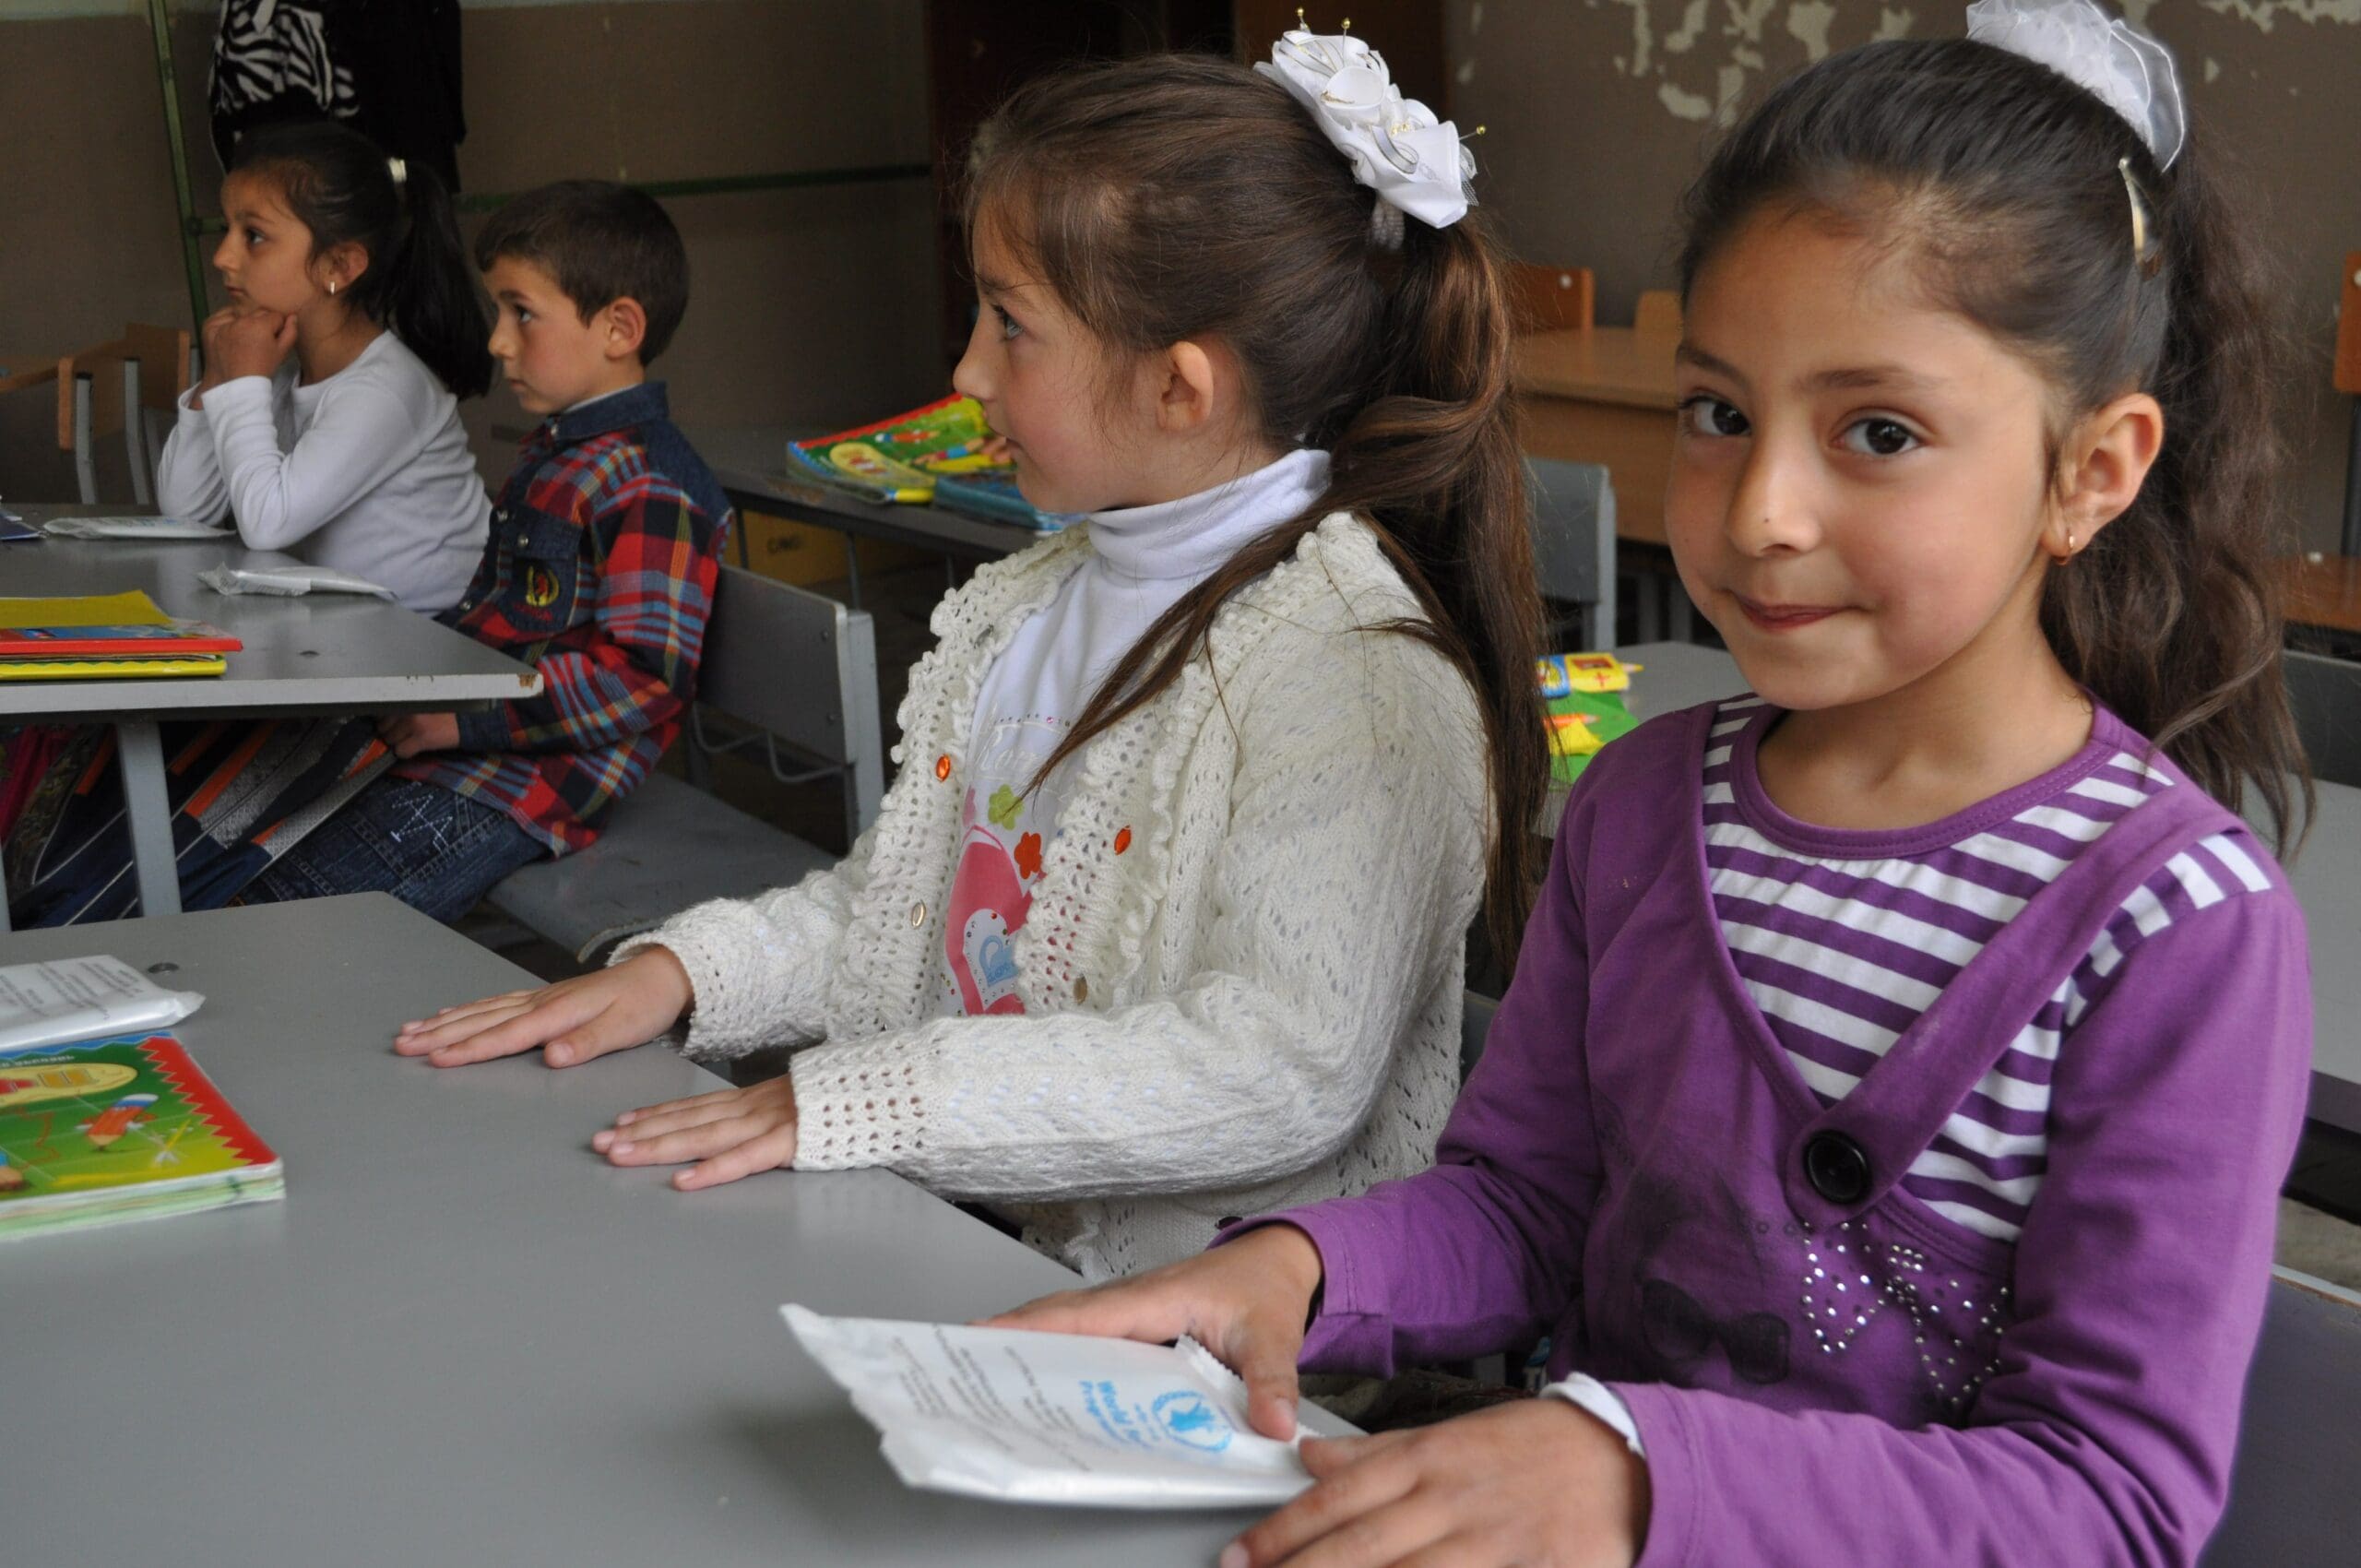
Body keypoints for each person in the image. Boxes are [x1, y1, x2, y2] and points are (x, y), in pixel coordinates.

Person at [989, 7, 2315, 1565]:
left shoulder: (2178, 927)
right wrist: (1294, 1270)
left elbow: (2108, 1498)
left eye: (1877, 432)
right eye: (1720, 415)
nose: (1762, 511)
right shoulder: (1641, 807)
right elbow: (1525, 1203)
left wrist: (1634, 1476)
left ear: (2093, 471)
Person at [392, 33, 1548, 1282]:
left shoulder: (1356, 670)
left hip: (1198, 1337)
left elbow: (1279, 1072)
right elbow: (892, 915)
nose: (965, 372)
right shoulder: (1027, 604)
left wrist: (865, 1100)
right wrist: (687, 971)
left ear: (1181, 389)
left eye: (1010, 325)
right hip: (958, 1243)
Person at [235, 180, 732, 919]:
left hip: (519, 788)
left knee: (290, 912)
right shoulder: (566, 451)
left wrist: (463, 721)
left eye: (521, 313)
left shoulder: (649, 483)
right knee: (239, 841)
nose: (499, 340)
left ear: (620, 329)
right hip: (461, 750)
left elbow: (642, 677)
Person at [159, 117, 491, 612]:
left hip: (434, 646)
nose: (223, 257)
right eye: (228, 229)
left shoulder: (385, 390)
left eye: (253, 236)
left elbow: (268, 523)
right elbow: (185, 514)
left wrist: (245, 381)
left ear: (338, 267)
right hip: (348, 637)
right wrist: (219, 378)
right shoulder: (283, 370)